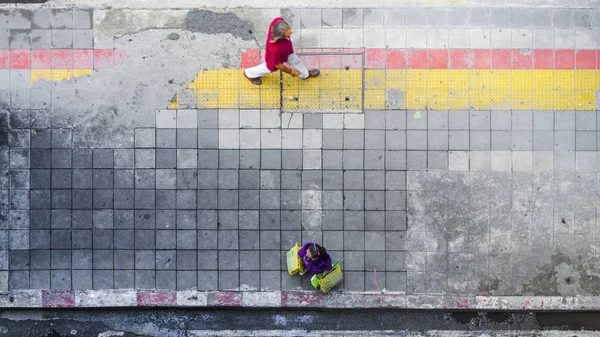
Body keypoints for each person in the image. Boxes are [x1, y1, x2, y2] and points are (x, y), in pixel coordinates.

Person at [244, 17, 320, 85]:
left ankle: (305, 74)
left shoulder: (278, 21)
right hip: (276, 59)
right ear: (279, 37)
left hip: (288, 52)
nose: (291, 33)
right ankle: (249, 73)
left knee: (296, 61)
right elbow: (278, 65)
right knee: (267, 68)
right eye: (288, 35)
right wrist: (292, 72)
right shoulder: (274, 49)